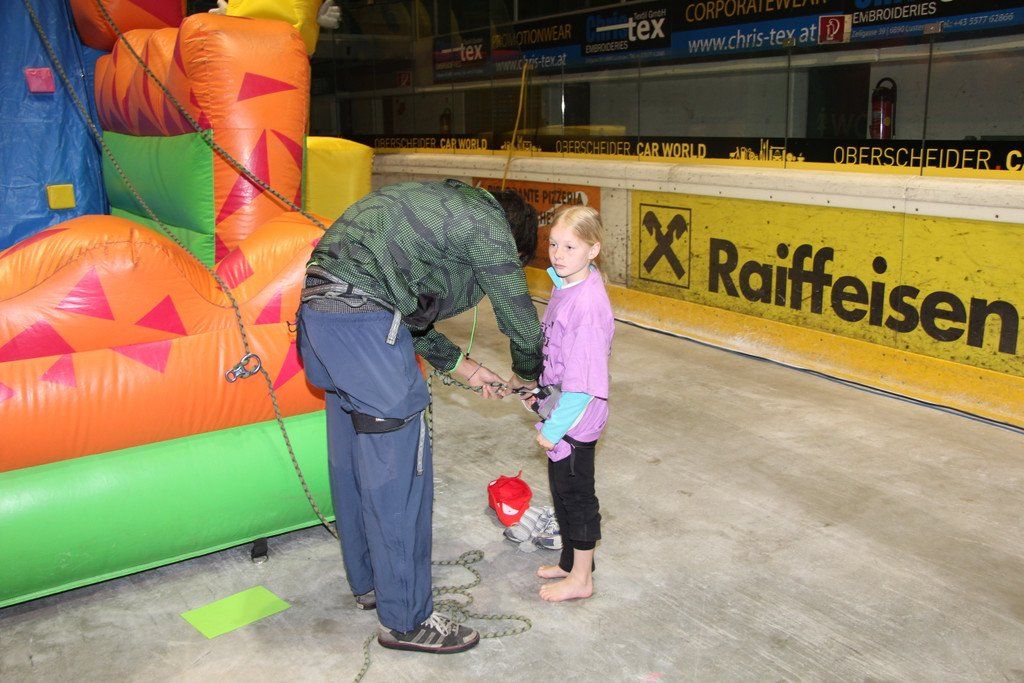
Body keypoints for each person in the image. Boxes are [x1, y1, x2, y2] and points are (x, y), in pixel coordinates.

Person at [296, 179, 543, 653]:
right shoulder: (489, 225)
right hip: (367, 326)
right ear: (515, 244)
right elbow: (522, 325)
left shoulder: (439, 208)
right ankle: (407, 619)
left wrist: (465, 368)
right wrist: (528, 377)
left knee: (354, 463)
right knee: (399, 480)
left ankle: (371, 583)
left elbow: (405, 310)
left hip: (323, 319)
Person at [527, 205, 613, 603]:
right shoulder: (566, 285)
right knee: (560, 490)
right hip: (560, 409)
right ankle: (569, 562)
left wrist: (553, 429)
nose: (558, 254)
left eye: (570, 247)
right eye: (553, 244)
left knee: (577, 497)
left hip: (575, 419)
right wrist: (539, 393)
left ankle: (582, 579)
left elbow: (583, 385)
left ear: (593, 250)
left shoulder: (588, 307)